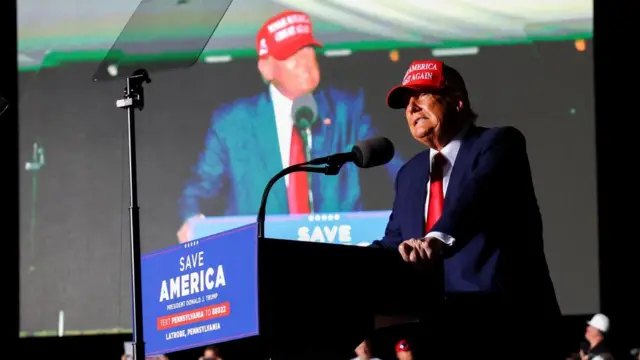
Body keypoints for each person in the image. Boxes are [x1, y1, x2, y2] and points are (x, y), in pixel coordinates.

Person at [369, 59, 562, 358]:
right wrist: (347, 267)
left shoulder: (499, 143)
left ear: (457, 102)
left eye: (422, 95)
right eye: (407, 102)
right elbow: (395, 241)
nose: (412, 107)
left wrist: (436, 239)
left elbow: (476, 196)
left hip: (505, 329)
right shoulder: (410, 174)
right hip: (435, 334)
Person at [177, 9, 402, 243]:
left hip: (339, 254)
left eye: (309, 52)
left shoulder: (347, 110)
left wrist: (424, 201)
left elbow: (395, 169)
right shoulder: (233, 123)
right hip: (262, 257)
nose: (307, 64)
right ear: (266, 68)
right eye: (293, 55)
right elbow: (199, 189)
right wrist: (192, 218)